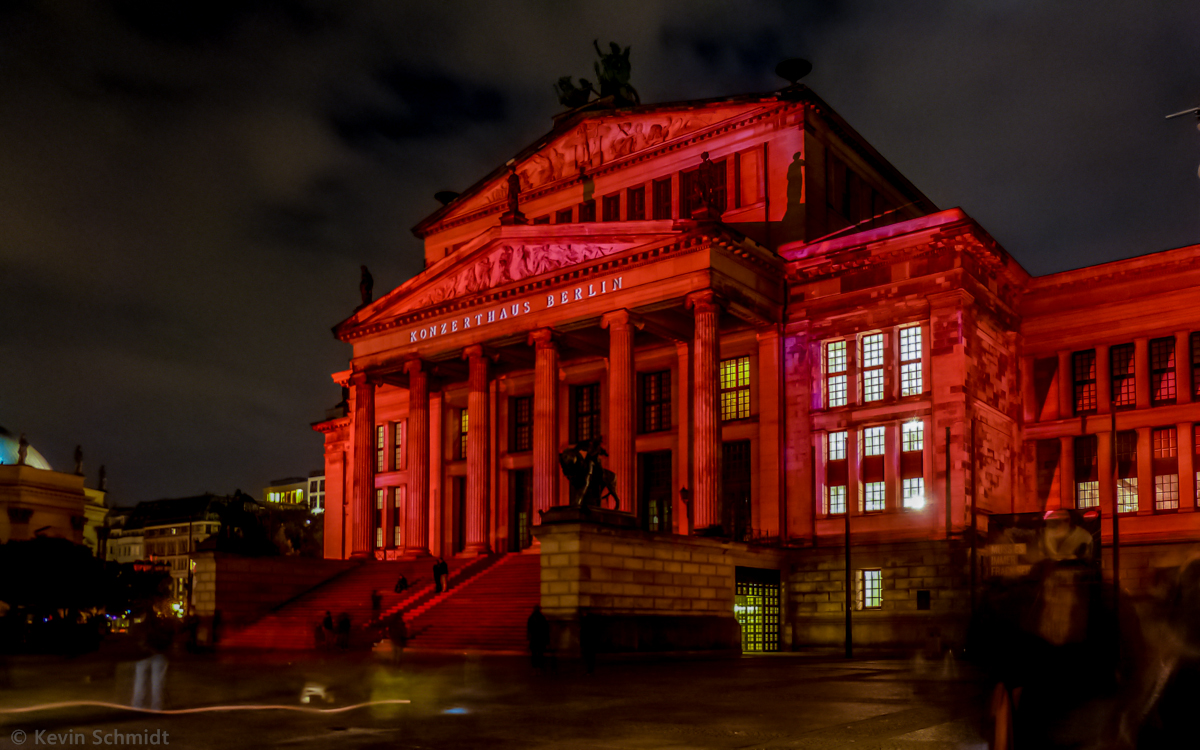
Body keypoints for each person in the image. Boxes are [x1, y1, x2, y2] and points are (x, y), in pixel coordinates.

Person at [132, 612, 173, 710]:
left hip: (143, 655)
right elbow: (168, 639)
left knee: (140, 680)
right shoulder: (160, 627)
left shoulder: (140, 627)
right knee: (157, 681)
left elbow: (135, 640)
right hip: (159, 654)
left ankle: (137, 705)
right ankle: (156, 707)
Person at [527, 605, 550, 670]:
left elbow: (529, 630)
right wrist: (547, 641)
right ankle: (540, 667)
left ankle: (534, 668)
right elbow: (546, 631)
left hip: (534, 639)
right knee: (540, 654)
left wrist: (528, 639)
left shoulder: (531, 618)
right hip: (541, 639)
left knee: (534, 654)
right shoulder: (542, 618)